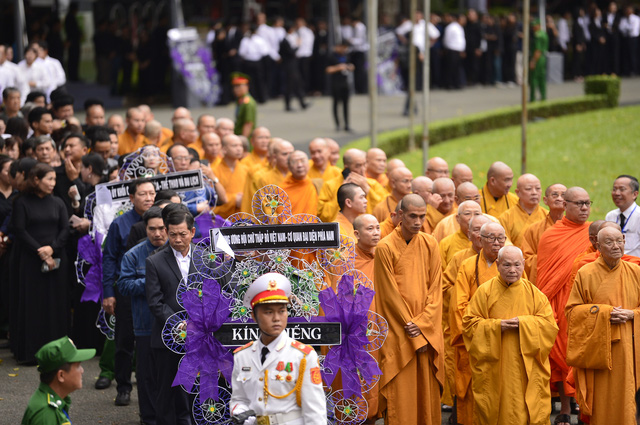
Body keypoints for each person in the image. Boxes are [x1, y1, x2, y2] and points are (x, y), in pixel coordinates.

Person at [462, 246, 558, 424]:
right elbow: (468, 324)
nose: (512, 270)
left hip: (525, 367)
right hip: (495, 367)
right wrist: (497, 326)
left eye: (516, 265)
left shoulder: (535, 294)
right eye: (506, 265)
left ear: (523, 265)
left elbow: (549, 327)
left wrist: (524, 323)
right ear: (497, 265)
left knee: (525, 409)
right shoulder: (484, 292)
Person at [373, 194, 443, 425]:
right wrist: (412, 329)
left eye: (422, 216)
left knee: (425, 392)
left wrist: (422, 326)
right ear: (400, 215)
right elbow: (389, 296)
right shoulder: (384, 247)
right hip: (400, 332)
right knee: (401, 396)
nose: (417, 221)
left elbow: (436, 288)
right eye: (413, 216)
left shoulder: (430, 243)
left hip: (425, 330)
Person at [229, 272, 327, 424]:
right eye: (268, 312)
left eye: (282, 311)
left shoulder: (302, 356)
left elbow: (315, 413)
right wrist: (241, 413)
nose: (276, 318)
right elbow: (239, 398)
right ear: (254, 316)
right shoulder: (242, 356)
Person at [565, 227, 640, 424]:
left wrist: (633, 314)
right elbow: (572, 312)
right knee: (603, 404)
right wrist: (604, 314)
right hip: (599, 352)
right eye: (609, 242)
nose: (616, 246)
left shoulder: (636, 272)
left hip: (630, 350)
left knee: (629, 400)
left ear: (624, 240)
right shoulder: (585, 273)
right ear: (597, 245)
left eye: (619, 241)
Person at [536, 186, 592, 423]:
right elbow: (544, 277)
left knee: (585, 354)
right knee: (559, 354)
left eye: (587, 203)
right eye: (578, 203)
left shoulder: (594, 232)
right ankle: (565, 408)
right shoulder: (551, 235)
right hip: (559, 301)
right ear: (565, 205)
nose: (584, 208)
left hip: (585, 302)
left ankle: (585, 403)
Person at [102, 178, 156, 406]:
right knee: (124, 340)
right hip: (125, 291)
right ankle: (123, 387)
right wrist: (108, 292)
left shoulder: (160, 222)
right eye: (142, 194)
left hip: (151, 293)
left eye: (151, 193)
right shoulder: (121, 224)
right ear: (132, 198)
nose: (148, 198)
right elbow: (109, 258)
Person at [11, 163, 69, 363]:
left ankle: (57, 350)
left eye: (55, 179)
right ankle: (32, 351)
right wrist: (41, 252)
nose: (53, 183)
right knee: (33, 304)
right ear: (36, 179)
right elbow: (20, 230)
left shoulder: (58, 202)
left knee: (56, 304)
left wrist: (52, 249)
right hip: (31, 260)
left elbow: (65, 229)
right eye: (49, 179)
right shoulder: (21, 202)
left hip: (57, 258)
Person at [450, 222, 507, 424]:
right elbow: (459, 306)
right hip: (474, 340)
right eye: (491, 238)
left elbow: (522, 299)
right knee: (473, 394)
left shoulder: (511, 265)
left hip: (504, 339)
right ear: (480, 241)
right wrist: (478, 332)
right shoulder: (468, 265)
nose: (497, 243)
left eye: (501, 238)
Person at [145, 205, 197, 425]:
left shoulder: (207, 259)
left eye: (182, 234)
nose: (177, 239)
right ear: (166, 232)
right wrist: (179, 324)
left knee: (196, 391)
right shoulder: (154, 261)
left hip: (200, 337)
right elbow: (155, 302)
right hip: (168, 339)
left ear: (192, 232)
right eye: (173, 234)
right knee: (167, 393)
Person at [117, 206, 168, 425]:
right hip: (145, 325)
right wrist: (152, 281)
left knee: (169, 377)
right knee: (146, 377)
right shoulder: (133, 255)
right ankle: (148, 419)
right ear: (144, 229)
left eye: (162, 228)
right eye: (152, 229)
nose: (157, 234)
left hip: (173, 325)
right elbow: (124, 286)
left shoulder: (178, 251)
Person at [21, 336, 95, 425]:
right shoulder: (46, 414)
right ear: (61, 375)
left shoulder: (53, 400)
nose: (82, 371)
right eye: (78, 366)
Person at [317, 148, 386, 223]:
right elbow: (323, 216)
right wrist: (342, 193)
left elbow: (384, 211)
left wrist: (368, 191)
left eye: (364, 164)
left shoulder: (373, 184)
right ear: (347, 168)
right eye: (358, 166)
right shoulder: (330, 185)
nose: (363, 170)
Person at [522, 183, 566, 283]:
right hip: (542, 281)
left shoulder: (575, 229)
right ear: (545, 200)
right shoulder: (533, 229)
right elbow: (525, 260)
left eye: (563, 195)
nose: (559, 198)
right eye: (555, 195)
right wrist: (549, 258)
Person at [498, 173, 547, 248]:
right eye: (528, 189)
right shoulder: (506, 218)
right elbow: (504, 244)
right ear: (518, 192)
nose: (534, 192)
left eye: (538, 188)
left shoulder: (547, 216)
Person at [213, 134, 247, 218]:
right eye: (234, 146)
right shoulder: (214, 171)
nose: (239, 149)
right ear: (224, 149)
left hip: (243, 219)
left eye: (240, 145)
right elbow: (212, 200)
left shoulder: (247, 170)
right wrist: (235, 199)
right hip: (221, 220)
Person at [439, 200, 482, 266]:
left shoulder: (489, 242)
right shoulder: (446, 243)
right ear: (458, 218)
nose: (472, 218)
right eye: (467, 214)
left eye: (477, 214)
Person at [605, 175, 640, 257]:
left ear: (635, 194)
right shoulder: (610, 216)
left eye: (622, 189)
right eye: (614, 189)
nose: (616, 193)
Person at [326, 42, 354, 132]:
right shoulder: (331, 56)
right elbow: (328, 69)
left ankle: (346, 125)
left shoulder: (346, 56)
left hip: (345, 82)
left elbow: (351, 66)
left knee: (346, 104)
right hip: (336, 83)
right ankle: (337, 124)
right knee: (336, 103)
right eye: (342, 47)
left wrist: (350, 67)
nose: (344, 50)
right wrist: (338, 68)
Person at [281, 150, 317, 215]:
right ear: (288, 166)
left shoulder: (316, 184)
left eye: (303, 161)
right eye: (294, 162)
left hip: (313, 224)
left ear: (309, 163)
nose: (299, 165)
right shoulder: (282, 189)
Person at [232, 73, 257, 137]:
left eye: (239, 86)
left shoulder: (248, 103)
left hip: (246, 137)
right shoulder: (240, 100)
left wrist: (243, 140)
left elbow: (248, 123)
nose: (236, 89)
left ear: (247, 86)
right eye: (235, 86)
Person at [529, 19, 549, 102]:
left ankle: (533, 98)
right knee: (542, 78)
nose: (533, 28)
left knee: (534, 78)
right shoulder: (544, 34)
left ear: (539, 25)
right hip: (543, 57)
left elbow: (538, 50)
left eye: (534, 26)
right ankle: (543, 96)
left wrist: (533, 61)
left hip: (537, 57)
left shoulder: (538, 35)